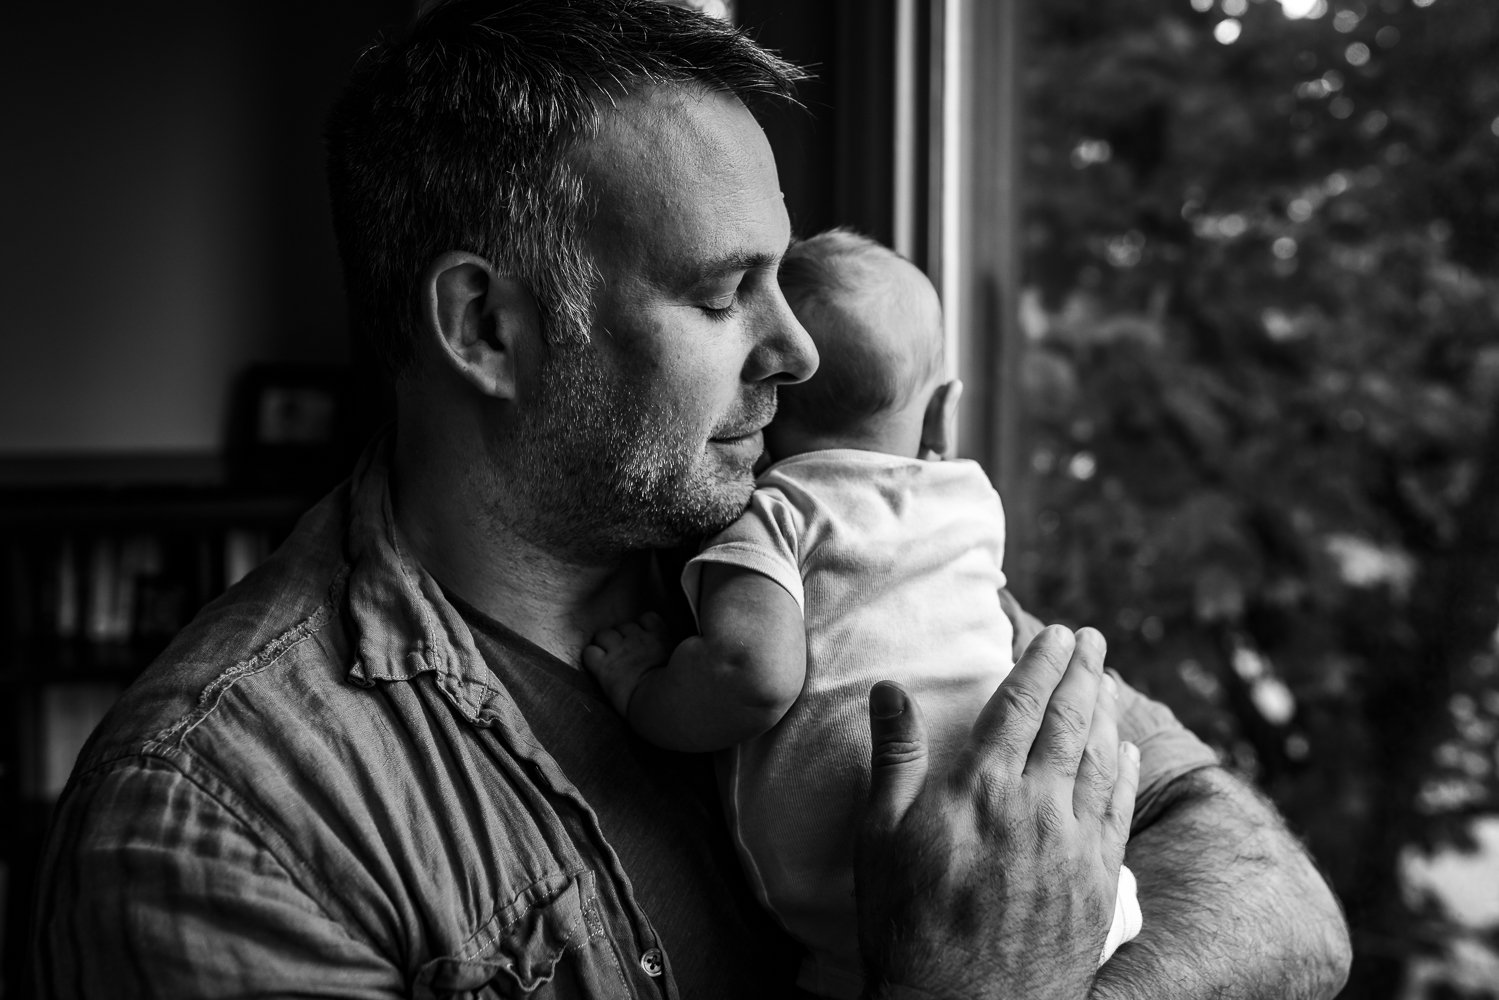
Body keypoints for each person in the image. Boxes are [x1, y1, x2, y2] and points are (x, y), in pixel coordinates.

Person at [32, 2, 1351, 998]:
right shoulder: (220, 821)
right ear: (485, 326)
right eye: (724, 297)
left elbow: (1277, 899)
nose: (799, 353)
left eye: (786, 281)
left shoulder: (811, 547)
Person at [582, 228, 1143, 997]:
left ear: (762, 406)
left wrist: (642, 686)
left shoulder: (781, 514)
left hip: (859, 902)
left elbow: (749, 675)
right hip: (1077, 870)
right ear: (942, 416)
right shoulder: (971, 503)